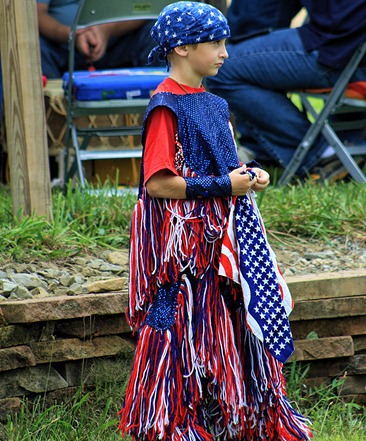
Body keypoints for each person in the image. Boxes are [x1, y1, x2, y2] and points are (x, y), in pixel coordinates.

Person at [118, 2, 312, 440]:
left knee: (228, 321)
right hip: (183, 247)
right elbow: (159, 184)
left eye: (225, 41)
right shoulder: (166, 105)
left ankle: (234, 414)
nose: (225, 52)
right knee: (183, 329)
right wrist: (224, 186)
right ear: (183, 48)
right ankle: (172, 419)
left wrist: (250, 172)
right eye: (216, 43)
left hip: (219, 235)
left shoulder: (213, 101)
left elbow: (220, 162)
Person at [206, 0, 366, 175]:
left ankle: (322, 154)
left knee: (221, 69)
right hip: (349, 46)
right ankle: (344, 142)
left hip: (343, 50)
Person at [36, 0, 159, 78]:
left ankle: (158, 105)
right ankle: (51, 110)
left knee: (159, 31)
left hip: (118, 43)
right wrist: (71, 34)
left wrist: (107, 29)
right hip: (60, 46)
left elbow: (147, 7)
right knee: (34, 46)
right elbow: (36, 12)